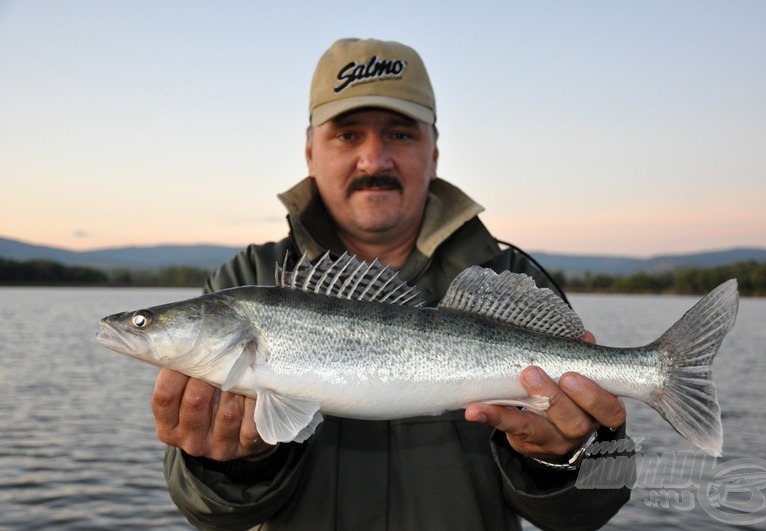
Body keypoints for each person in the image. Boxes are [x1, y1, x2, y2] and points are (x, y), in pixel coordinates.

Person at [152, 38, 632, 530]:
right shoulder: (244, 282)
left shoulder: (509, 280)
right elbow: (203, 511)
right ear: (310, 152)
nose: (374, 160)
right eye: (347, 135)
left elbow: (594, 504)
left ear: (435, 153)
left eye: (400, 135)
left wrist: (566, 454)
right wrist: (228, 463)